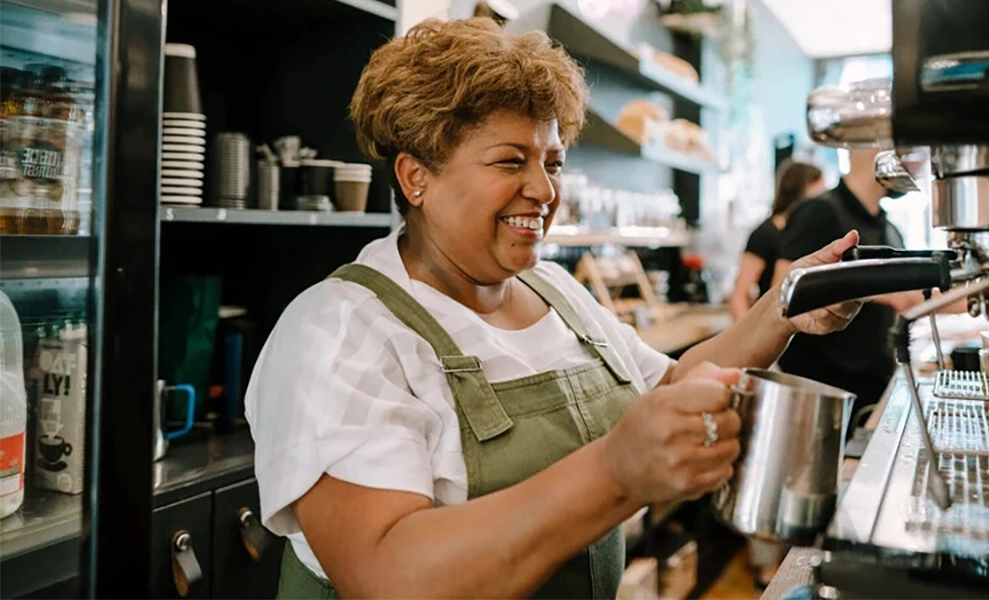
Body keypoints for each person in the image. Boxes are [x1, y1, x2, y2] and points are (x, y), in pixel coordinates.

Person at [245, 17, 864, 599]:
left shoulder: (555, 292)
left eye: (553, 162)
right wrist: (615, 473)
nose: (544, 191)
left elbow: (669, 386)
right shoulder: (339, 332)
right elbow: (386, 572)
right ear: (415, 179)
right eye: (510, 161)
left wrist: (785, 308)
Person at [772, 149, 909, 415]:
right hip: (821, 391)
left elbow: (906, 298)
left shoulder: (890, 229)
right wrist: (882, 291)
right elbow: (781, 293)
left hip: (873, 382)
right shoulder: (819, 211)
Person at [729, 159, 825, 321]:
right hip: (775, 325)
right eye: (818, 194)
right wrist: (752, 341)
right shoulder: (765, 234)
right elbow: (740, 295)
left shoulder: (810, 234)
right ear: (799, 192)